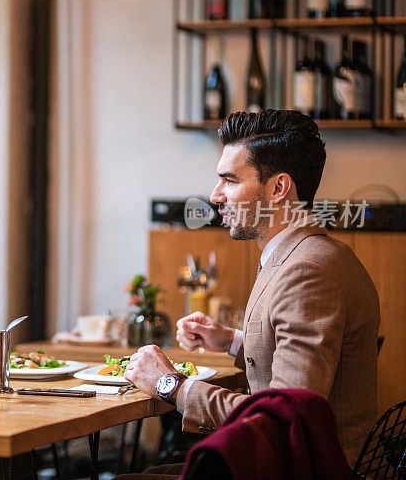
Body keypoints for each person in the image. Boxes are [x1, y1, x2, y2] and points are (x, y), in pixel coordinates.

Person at [123, 110, 379, 470]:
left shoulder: (309, 270)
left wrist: (170, 385)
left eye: (229, 180)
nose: (215, 196)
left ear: (278, 188)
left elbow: (284, 419)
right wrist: (230, 340)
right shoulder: (302, 254)